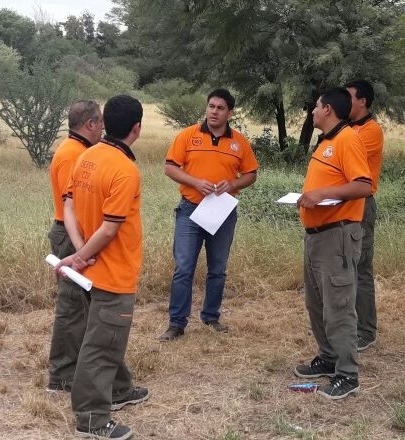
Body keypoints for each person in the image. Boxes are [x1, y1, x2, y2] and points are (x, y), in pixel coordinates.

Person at [57, 95, 149, 440]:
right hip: (112, 272)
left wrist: (78, 251)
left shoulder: (87, 156)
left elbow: (68, 206)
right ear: (136, 128)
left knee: (105, 334)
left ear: (105, 123)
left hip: (90, 268)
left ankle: (120, 390)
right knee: (102, 343)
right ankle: (92, 419)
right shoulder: (125, 170)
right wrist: (81, 255)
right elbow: (110, 229)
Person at [159, 89, 259, 341]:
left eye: (220, 108)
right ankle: (176, 323)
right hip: (190, 210)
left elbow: (251, 174)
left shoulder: (239, 142)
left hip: (222, 212)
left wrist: (233, 183)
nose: (214, 112)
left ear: (230, 113)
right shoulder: (188, 135)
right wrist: (194, 182)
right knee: (183, 268)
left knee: (218, 268)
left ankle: (211, 317)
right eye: (211, 106)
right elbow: (170, 167)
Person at [293, 87, 372, 400]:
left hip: (337, 235)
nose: (312, 111)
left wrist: (322, 194)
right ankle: (328, 357)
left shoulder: (347, 138)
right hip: (316, 235)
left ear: (327, 109)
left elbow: (363, 185)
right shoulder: (326, 142)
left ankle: (347, 374)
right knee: (317, 303)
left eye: (316, 106)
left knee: (338, 306)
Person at [46, 100, 103, 393]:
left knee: (83, 304)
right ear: (90, 124)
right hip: (71, 236)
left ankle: (81, 365)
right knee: (70, 306)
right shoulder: (72, 154)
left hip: (78, 236)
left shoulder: (78, 149)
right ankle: (62, 376)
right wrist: (81, 249)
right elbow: (72, 206)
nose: (104, 127)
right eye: (101, 121)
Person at [344, 80, 384, 352]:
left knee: (361, 267)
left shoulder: (370, 130)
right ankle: (346, 323)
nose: (344, 102)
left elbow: (346, 160)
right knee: (343, 265)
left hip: (360, 203)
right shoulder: (347, 128)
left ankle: (366, 330)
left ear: (363, 101)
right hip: (342, 203)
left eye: (349, 97)